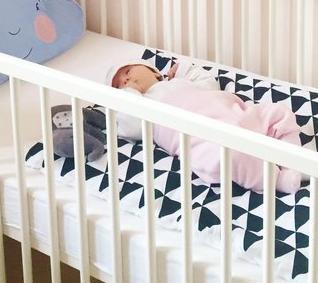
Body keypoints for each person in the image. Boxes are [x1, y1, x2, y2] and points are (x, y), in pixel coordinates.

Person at [106, 58, 305, 194]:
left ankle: (294, 160)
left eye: (128, 71)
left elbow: (209, 82)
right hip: (204, 140)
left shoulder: (180, 82)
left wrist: (184, 69)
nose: (126, 80)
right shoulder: (144, 110)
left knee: (278, 113)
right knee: (231, 156)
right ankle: (276, 180)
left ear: (153, 71)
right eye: (119, 85)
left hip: (236, 114)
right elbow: (130, 124)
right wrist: (129, 96)